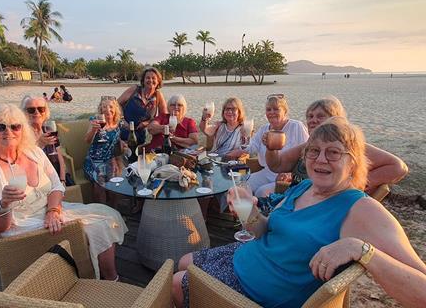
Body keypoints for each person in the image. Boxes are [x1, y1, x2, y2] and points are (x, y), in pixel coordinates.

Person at [172, 117, 426, 308]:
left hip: (256, 292)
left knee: (177, 281)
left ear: (354, 162)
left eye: (334, 152)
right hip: (248, 255)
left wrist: (362, 250)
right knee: (183, 260)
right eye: (313, 151)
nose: (320, 160)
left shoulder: (361, 209)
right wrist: (245, 208)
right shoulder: (305, 186)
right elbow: (262, 230)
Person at [0, 103, 128, 280]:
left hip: (51, 212)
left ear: (22, 129)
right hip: (22, 228)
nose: (8, 132)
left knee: (109, 214)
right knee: (99, 226)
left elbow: (57, 186)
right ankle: (110, 279)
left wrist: (52, 211)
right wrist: (4, 205)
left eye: (15, 126)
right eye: (0, 126)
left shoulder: (33, 152)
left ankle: (96, 270)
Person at [265, 96, 409, 195]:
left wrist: (355, 185)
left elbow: (398, 168)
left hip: (317, 211)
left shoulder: (350, 145)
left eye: (320, 116)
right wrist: (271, 148)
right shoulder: (308, 146)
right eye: (310, 116)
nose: (313, 120)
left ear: (336, 119)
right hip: (293, 201)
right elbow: (276, 165)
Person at [230, 94, 309, 197]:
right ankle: (240, 210)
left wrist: (292, 173)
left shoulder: (296, 127)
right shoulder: (264, 129)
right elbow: (252, 148)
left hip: (287, 177)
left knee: (261, 192)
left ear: (284, 111)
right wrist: (245, 138)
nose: (272, 112)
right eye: (268, 109)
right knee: (239, 186)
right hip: (267, 173)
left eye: (276, 109)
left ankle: (259, 212)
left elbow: (307, 153)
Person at [83, 96, 125, 203]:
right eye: (104, 107)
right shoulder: (95, 121)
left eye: (110, 106)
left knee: (116, 182)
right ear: (100, 109)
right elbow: (87, 141)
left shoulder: (118, 123)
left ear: (115, 109)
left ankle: (114, 212)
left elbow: (116, 142)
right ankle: (102, 212)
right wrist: (93, 130)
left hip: (110, 160)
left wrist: (116, 159)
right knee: (100, 183)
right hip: (94, 161)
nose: (107, 109)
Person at [20, 96, 69, 186]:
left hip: (57, 178)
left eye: (41, 109)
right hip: (39, 182)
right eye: (31, 110)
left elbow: (60, 157)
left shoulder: (49, 130)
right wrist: (39, 143)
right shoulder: (21, 134)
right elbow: (22, 160)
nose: (37, 112)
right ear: (23, 113)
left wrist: (62, 180)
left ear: (45, 112)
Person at [117, 67, 167, 145]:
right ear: (143, 80)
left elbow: (163, 116)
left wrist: (148, 122)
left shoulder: (158, 95)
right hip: (124, 129)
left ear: (158, 81)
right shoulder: (134, 90)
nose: (150, 80)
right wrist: (122, 120)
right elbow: (116, 104)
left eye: (153, 78)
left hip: (142, 133)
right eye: (147, 78)